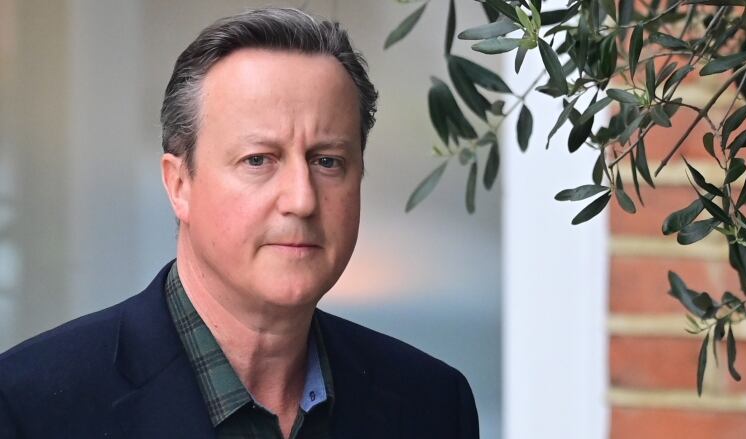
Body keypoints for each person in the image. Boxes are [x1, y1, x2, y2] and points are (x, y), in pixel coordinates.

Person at [0, 8, 479, 439]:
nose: (301, 199)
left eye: (327, 161)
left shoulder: (432, 406)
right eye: (258, 160)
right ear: (179, 184)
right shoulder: (29, 408)